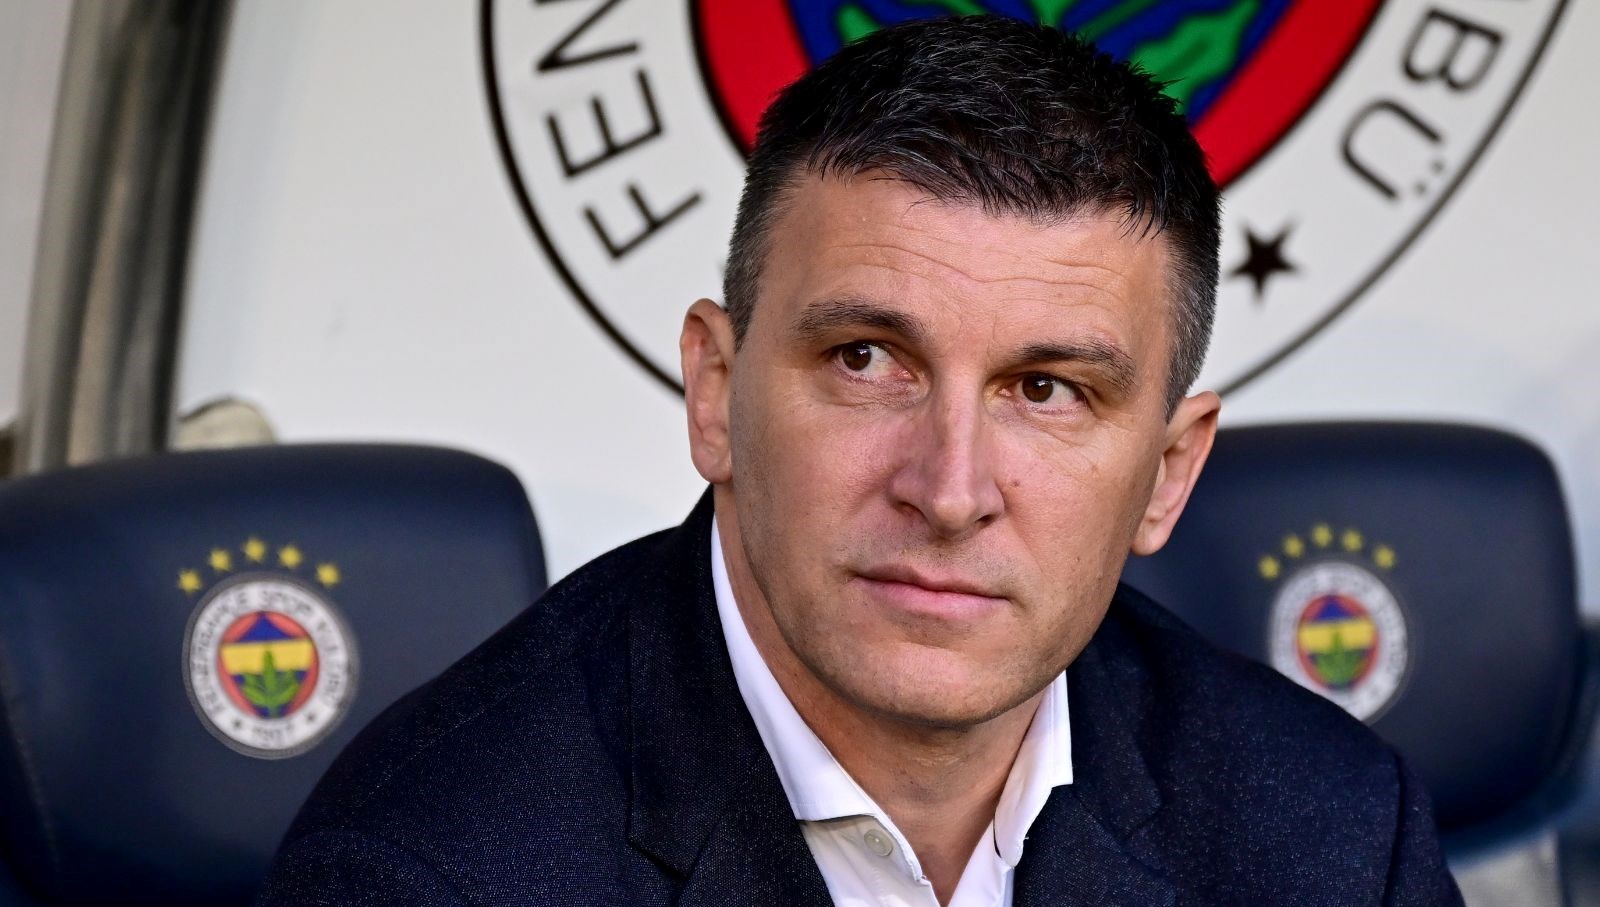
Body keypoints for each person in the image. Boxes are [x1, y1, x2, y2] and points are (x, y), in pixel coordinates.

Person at [259, 16, 1461, 906]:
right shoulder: (424, 872)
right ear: (715, 393)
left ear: (1167, 473)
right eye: (866, 360)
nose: (948, 490)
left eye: (1046, 389)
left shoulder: (1336, 841)